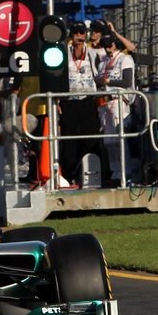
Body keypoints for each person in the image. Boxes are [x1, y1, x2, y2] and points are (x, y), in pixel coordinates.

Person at [57, 21, 99, 189]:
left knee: (91, 138)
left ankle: (93, 173)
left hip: (88, 100)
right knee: (69, 140)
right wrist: (57, 101)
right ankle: (69, 175)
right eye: (75, 33)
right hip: (69, 102)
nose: (78, 36)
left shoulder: (93, 53)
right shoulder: (62, 53)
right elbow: (57, 76)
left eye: (81, 33)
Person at [95, 33, 136, 188]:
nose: (107, 48)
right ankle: (115, 171)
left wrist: (108, 81)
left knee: (120, 139)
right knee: (109, 141)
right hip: (105, 102)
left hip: (120, 100)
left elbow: (127, 81)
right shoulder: (103, 62)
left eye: (109, 44)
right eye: (105, 45)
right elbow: (98, 80)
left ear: (115, 44)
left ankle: (126, 172)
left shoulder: (125, 59)